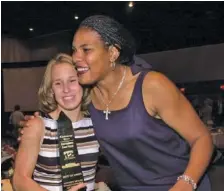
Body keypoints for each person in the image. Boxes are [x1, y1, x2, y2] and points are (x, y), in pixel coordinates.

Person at [22, 15, 213, 191]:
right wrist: (36, 123)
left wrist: (186, 183)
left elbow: (202, 138)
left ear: (112, 53)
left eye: (86, 50)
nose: (76, 57)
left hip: (179, 184)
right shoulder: (88, 95)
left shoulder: (151, 85)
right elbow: (62, 111)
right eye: (74, 49)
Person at [13, 53, 99, 191]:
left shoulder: (95, 123)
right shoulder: (38, 125)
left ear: (82, 82)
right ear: (51, 90)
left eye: (72, 80)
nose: (66, 89)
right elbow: (19, 180)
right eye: (58, 83)